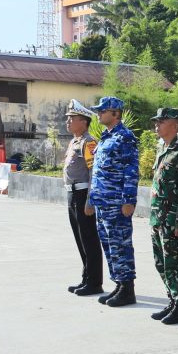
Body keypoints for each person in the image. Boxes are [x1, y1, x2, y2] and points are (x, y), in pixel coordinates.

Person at [85, 96, 139, 308]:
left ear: (115, 113)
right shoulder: (106, 137)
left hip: (117, 203)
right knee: (109, 245)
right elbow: (98, 171)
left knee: (121, 245)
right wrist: (92, 199)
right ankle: (118, 283)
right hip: (102, 202)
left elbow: (131, 170)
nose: (99, 114)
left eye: (103, 111)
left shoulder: (125, 137)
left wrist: (129, 200)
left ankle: (127, 288)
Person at [148, 108, 178, 324]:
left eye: (161, 122)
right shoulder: (162, 147)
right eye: (156, 121)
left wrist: (177, 219)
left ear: (175, 125)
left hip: (171, 219)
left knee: (174, 262)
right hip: (157, 217)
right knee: (161, 262)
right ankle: (172, 300)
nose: (157, 125)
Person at [62, 99, 104, 296]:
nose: (68, 122)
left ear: (84, 122)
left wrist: (90, 200)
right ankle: (86, 278)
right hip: (72, 193)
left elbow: (93, 172)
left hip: (82, 194)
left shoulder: (89, 142)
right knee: (80, 239)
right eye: (68, 118)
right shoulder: (74, 141)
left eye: (72, 118)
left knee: (89, 239)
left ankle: (95, 282)